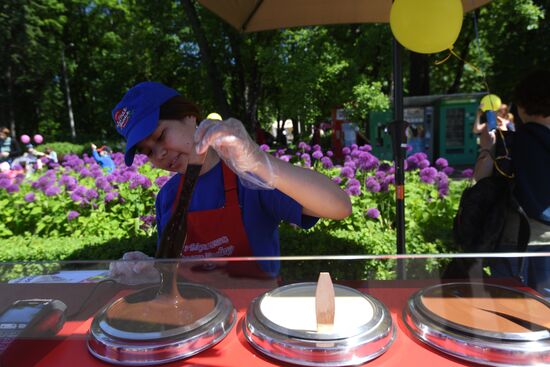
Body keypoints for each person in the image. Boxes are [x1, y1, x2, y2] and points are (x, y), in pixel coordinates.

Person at [109, 81, 352, 280]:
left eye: (161, 136)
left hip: (254, 317)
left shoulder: (249, 179)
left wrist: (258, 161)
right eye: (148, 151)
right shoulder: (167, 197)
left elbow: (339, 206)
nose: (159, 153)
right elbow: (172, 270)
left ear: (190, 116)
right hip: (196, 323)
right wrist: (150, 270)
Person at [474, 69, 550, 296]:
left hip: (515, 239)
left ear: (521, 106)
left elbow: (480, 178)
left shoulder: (510, 143)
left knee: (510, 309)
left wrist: (487, 147)